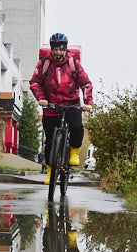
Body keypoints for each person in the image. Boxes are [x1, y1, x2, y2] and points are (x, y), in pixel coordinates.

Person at [30, 32, 93, 185]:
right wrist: (41, 99)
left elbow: (86, 84)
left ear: (65, 49)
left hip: (71, 104)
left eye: (61, 49)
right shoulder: (44, 64)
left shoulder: (74, 64)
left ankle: (74, 152)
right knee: (50, 141)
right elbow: (34, 83)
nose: (58, 52)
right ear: (51, 49)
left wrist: (88, 102)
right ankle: (50, 172)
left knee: (77, 127)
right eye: (55, 49)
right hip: (51, 106)